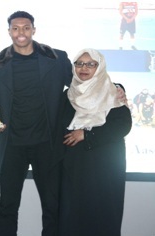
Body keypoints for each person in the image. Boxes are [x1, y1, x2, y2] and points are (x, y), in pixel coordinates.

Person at [0, 11, 73, 236]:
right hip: (12, 145)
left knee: (52, 207)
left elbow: (82, 87)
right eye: (15, 28)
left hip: (47, 144)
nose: (21, 33)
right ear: (9, 32)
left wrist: (117, 88)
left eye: (26, 28)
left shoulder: (57, 59)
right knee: (7, 207)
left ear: (34, 30)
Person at [57, 48, 132, 236]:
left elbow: (123, 125)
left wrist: (86, 134)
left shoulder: (114, 91)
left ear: (99, 67)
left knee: (104, 215)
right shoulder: (67, 96)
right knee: (72, 216)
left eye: (91, 64)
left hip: (106, 165)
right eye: (79, 63)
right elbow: (58, 127)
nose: (84, 68)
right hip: (74, 165)